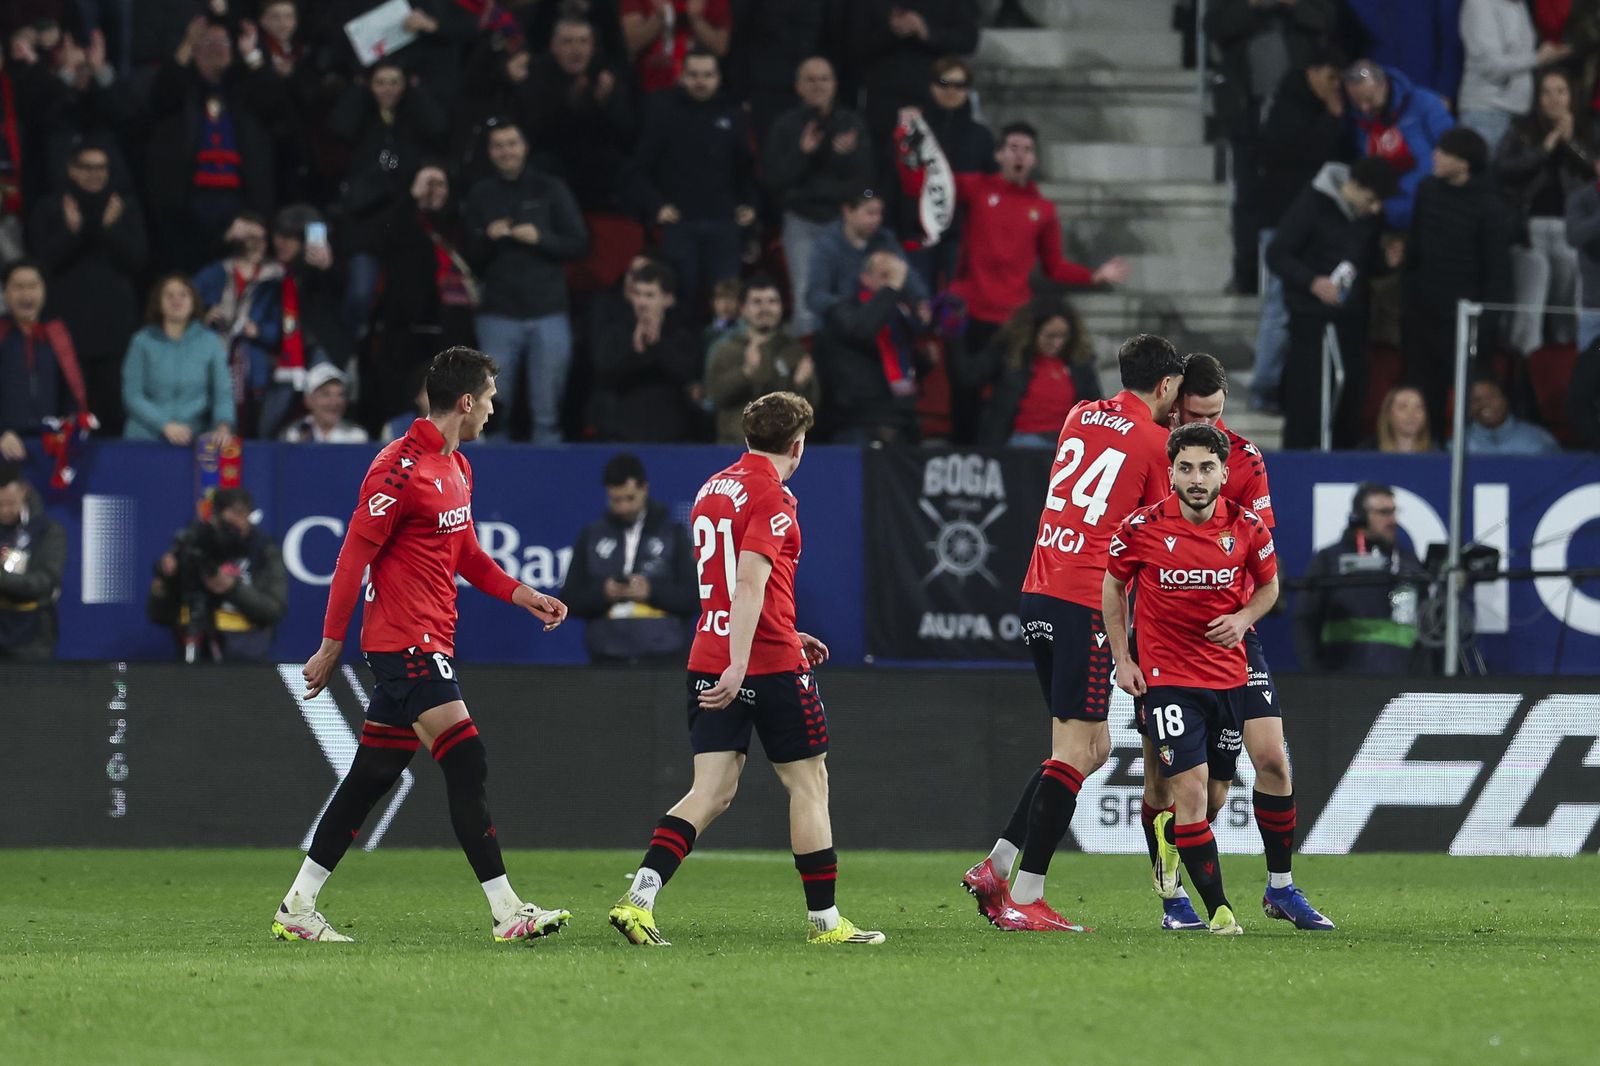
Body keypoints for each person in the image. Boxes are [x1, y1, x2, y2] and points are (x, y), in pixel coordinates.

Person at [276, 346, 573, 945]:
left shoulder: (459, 467)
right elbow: (350, 559)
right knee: (467, 758)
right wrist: (331, 646)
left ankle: (297, 906)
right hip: (403, 641)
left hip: (428, 637)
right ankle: (507, 910)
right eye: (488, 398)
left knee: (371, 775)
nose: (492, 409)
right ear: (465, 402)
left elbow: (465, 553)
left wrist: (522, 594)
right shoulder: (398, 467)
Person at [607, 391, 885, 947]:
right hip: (760, 664)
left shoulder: (714, 487)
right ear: (799, 446)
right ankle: (826, 923)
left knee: (709, 791)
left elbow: (736, 586)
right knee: (808, 782)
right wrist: (744, 660)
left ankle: (638, 897)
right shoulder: (773, 497)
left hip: (710, 652)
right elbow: (750, 581)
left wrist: (777, 631)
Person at [961, 334, 1186, 934]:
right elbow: (1156, 531)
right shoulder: (1156, 442)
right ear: (1166, 386)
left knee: (1086, 747)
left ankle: (998, 865)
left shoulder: (1079, 414)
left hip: (1039, 586)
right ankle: (1027, 894)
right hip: (1085, 599)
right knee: (1080, 750)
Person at [1146, 354, 1333, 932]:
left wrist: (1242, 612)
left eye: (1219, 414)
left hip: (1233, 635)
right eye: (1199, 415)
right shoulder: (1151, 452)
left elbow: (1256, 547)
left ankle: (1280, 888)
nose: (1212, 426)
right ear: (1175, 407)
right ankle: (1172, 897)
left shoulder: (1239, 458)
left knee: (1270, 761)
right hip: (1165, 643)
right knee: (1169, 786)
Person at [1103, 423, 1284, 936]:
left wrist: (1245, 618)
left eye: (1206, 468)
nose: (1196, 478)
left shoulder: (1248, 527)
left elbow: (1269, 587)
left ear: (1225, 473)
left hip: (1227, 678)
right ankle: (1217, 909)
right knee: (1190, 790)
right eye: (1186, 468)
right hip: (1166, 679)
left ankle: (1169, 847)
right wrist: (1123, 658)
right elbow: (1112, 588)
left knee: (1216, 795)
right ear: (1172, 473)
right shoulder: (1142, 527)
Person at [941, 121, 1130, 443]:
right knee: (963, 395)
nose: (1020, 155)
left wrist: (1093, 276)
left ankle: (996, 466)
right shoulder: (977, 189)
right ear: (999, 154)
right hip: (971, 311)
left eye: (1027, 150)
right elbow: (929, 187)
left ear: (1034, 160)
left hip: (1014, 321)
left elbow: (1054, 266)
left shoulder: (1042, 209)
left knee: (1004, 400)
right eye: (1013, 147)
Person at [464, 119, 589, 443]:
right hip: (498, 314)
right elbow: (468, 257)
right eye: (499, 145)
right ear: (490, 152)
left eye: (512, 143)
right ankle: (491, 487)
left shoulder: (550, 188)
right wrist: (488, 238)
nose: (506, 151)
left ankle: (550, 486)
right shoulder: (481, 193)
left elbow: (579, 242)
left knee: (547, 413)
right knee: (493, 414)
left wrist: (541, 238)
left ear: (525, 147)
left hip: (548, 311)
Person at [1204, 0, 1340, 295]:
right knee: (1248, 199)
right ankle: (1247, 273)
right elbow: (1213, 26)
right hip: (1247, 112)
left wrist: (1292, 5)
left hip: (1299, 112)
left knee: (1301, 198)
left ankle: (1302, 270)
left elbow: (1327, 19)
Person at [1266, 157, 1399, 448]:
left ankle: (1341, 464)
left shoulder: (1369, 217)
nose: (1376, 208)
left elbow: (1363, 262)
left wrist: (1386, 263)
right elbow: (1276, 254)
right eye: (1373, 199)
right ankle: (1300, 467)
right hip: (1312, 323)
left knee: (1350, 396)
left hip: (1352, 322)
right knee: (1309, 400)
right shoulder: (1313, 204)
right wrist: (1313, 282)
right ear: (1354, 186)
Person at [1252, 47, 1352, 412]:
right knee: (1279, 306)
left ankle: (1280, 385)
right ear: (1312, 71)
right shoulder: (1287, 108)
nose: (1334, 86)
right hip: (1282, 221)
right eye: (1330, 77)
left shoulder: (1318, 108)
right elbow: (1296, 155)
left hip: (1307, 224)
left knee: (1290, 309)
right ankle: (1264, 385)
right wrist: (1330, 120)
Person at [27, 138, 147, 436]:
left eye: (102, 168)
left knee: (111, 414)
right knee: (66, 414)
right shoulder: (51, 207)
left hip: (114, 334)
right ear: (71, 169)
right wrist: (72, 231)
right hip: (66, 333)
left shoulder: (122, 207)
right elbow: (41, 264)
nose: (96, 174)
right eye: (88, 167)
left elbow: (138, 261)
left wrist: (109, 230)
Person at [622, 49, 756, 311]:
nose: (700, 81)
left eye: (707, 75)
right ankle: (684, 351)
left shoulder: (732, 112)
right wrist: (657, 206)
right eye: (693, 74)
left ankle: (723, 351)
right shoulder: (661, 111)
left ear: (718, 78)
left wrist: (750, 205)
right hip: (680, 224)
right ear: (681, 76)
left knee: (727, 303)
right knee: (680, 302)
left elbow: (746, 170)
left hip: (723, 223)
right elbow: (638, 169)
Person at [1401, 127, 1514, 435]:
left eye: (1444, 152)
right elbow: (1415, 248)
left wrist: (1486, 327)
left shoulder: (1489, 206)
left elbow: (1498, 273)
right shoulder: (1427, 189)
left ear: (1464, 163)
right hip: (1422, 316)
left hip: (1465, 322)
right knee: (1425, 392)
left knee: (1471, 394)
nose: (1435, 156)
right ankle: (1431, 453)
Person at [764, 57, 873, 336]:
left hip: (842, 224)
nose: (818, 85)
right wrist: (803, 153)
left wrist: (842, 158)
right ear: (798, 86)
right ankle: (806, 373)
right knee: (805, 302)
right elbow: (775, 180)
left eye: (824, 79)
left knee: (846, 298)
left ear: (835, 85)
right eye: (810, 80)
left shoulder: (851, 123)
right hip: (801, 223)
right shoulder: (785, 125)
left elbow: (864, 179)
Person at [561, 453, 699, 664]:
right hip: (607, 656)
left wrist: (651, 591)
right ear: (607, 493)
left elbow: (694, 598)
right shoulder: (591, 535)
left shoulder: (673, 533)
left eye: (630, 498)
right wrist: (603, 592)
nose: (624, 507)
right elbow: (569, 599)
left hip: (664, 657)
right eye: (617, 500)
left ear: (644, 489)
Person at [1495, 69, 1593, 354]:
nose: (1554, 99)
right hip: (1530, 227)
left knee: (1567, 307)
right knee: (1531, 304)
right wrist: (1546, 146)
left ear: (1571, 96)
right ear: (1538, 97)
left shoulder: (1588, 129)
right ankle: (1526, 365)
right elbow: (1504, 169)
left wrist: (1570, 141)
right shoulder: (1522, 129)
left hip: (1570, 229)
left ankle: (1564, 362)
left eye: (1560, 91)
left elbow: (1594, 171)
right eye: (1547, 92)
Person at [1294, 481, 1429, 673]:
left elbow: (1426, 624)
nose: (1393, 520)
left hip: (1401, 683)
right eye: (1384, 513)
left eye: (1394, 512)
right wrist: (1314, 674)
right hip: (1341, 684)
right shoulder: (1328, 559)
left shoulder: (1409, 561)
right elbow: (1305, 619)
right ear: (1360, 517)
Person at [146, 487, 287, 663]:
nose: (241, 522)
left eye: (246, 514)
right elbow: (158, 615)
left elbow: (274, 609)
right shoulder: (195, 547)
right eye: (235, 514)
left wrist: (232, 588)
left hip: (249, 659)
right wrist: (165, 581)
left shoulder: (263, 550)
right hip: (195, 650)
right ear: (215, 516)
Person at [518, 14, 636, 212]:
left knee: (622, 165)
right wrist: (570, 103)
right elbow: (533, 132)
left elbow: (627, 132)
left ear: (592, 47)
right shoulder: (539, 74)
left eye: (583, 42)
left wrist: (605, 104)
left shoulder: (605, 75)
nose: (576, 49)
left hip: (595, 158)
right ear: (553, 47)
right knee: (539, 165)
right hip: (554, 156)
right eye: (567, 42)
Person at [812, 251, 926, 444]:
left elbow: (899, 370)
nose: (893, 283)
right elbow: (862, 330)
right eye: (885, 276)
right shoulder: (843, 310)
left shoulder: (899, 315)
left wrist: (924, 362)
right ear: (865, 278)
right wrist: (891, 288)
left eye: (895, 277)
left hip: (900, 417)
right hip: (856, 420)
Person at [903, 55, 995, 292]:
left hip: (962, 234)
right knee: (918, 302)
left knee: (955, 307)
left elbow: (993, 186)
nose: (951, 91)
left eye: (959, 85)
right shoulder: (912, 131)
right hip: (918, 230)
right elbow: (886, 179)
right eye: (945, 84)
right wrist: (871, 197)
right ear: (932, 86)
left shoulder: (981, 136)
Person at [960, 296, 1101, 447]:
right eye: (1050, 336)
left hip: (1068, 442)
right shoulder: (1010, 355)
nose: (1057, 343)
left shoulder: (1079, 362)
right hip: (1024, 442)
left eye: (1063, 336)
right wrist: (954, 335)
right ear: (1032, 332)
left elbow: (1096, 407)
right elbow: (968, 376)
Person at [589, 261, 702, 441]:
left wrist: (658, 346)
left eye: (650, 295)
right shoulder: (617, 332)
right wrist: (634, 349)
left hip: (673, 436)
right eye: (638, 294)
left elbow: (690, 374)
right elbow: (603, 373)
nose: (642, 302)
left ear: (668, 299)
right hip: (622, 434)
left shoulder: (682, 334)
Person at [1341, 60, 1455, 230]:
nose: (1364, 108)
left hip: (1434, 208)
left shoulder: (1424, 103)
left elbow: (1453, 154)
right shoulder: (1362, 122)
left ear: (1384, 85)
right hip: (1388, 216)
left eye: (1369, 99)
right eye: (1357, 102)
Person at [705, 276, 819, 443]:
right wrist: (745, 374)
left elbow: (813, 405)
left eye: (772, 301)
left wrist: (802, 386)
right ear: (743, 308)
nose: (765, 308)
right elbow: (714, 396)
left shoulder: (794, 350)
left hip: (782, 450)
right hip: (735, 448)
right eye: (757, 302)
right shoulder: (725, 348)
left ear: (781, 307)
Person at [121, 275, 234, 444]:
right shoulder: (141, 341)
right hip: (144, 436)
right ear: (158, 302)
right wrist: (164, 424)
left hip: (192, 438)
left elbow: (222, 393)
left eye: (184, 295)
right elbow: (132, 395)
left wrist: (223, 426)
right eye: (169, 295)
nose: (177, 300)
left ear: (193, 301)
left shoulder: (210, 342)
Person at [0, 260, 89, 462]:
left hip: (51, 446)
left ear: (44, 290)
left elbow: (72, 392)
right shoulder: (2, 334)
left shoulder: (57, 334)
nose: (26, 295)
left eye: (33, 286)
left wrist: (68, 429)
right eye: (18, 287)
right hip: (6, 443)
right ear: (5, 292)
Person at [804, 189, 929, 328]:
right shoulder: (826, 246)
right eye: (870, 213)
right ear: (848, 212)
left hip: (881, 318)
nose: (877, 219)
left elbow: (906, 272)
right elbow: (815, 296)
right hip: (842, 324)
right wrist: (847, 307)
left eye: (879, 213)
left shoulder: (885, 239)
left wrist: (921, 299)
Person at [1457, 0, 1570, 151]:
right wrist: (1537, 58)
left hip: (1520, 113)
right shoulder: (1479, 5)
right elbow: (1489, 66)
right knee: (1486, 174)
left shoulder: (1519, 4)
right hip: (1486, 113)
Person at [0, 461, 65, 660]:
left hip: (33, 635)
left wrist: (3, 580)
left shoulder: (48, 532)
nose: (4, 511)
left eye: (10, 503)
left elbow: (45, 582)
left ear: (23, 491)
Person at [621, 0, 732, 94]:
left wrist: (697, 21)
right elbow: (631, 43)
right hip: (652, 87)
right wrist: (658, 17)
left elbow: (721, 47)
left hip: (702, 88)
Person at [1466, 374, 1561, 454]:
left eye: (1491, 397)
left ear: (1505, 399)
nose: (1485, 404)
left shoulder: (1539, 442)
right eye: (1476, 400)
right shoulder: (1458, 445)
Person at [280, 364, 369, 444]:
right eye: (326, 394)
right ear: (308, 400)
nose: (334, 402)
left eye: (340, 395)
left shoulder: (356, 437)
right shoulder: (294, 435)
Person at [1365, 385, 1440, 452]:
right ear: (1387, 414)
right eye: (1403, 407)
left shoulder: (1437, 453)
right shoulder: (1368, 451)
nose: (1412, 414)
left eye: (1419, 407)